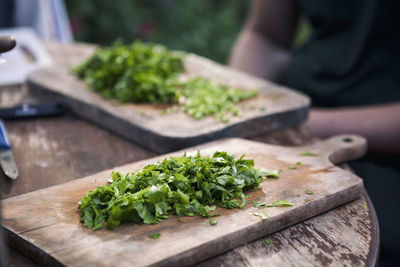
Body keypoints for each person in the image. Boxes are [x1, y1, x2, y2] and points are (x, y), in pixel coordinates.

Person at [229, 0, 400, 266]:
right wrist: (238, 108)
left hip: (384, 155)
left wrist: (295, 123)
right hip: (292, 112)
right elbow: (265, 36)